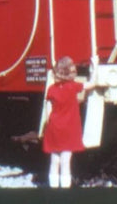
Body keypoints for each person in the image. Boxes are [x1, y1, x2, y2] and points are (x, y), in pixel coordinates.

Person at [42, 56, 96, 188]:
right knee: (66, 161)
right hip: (69, 128)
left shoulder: (51, 89)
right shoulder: (73, 87)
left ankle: (53, 192)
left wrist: (51, 123)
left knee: (54, 160)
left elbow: (48, 111)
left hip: (55, 128)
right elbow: (92, 83)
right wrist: (95, 67)